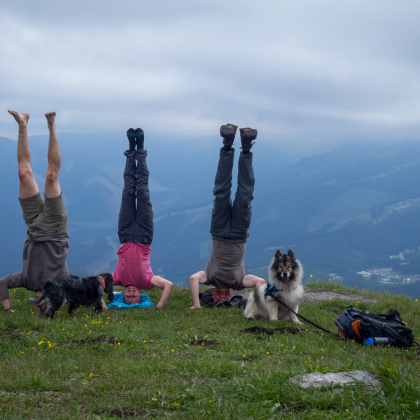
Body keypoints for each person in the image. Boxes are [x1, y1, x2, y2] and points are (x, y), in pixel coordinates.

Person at [189, 124, 265, 309]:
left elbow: (193, 278)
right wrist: (257, 305)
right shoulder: (239, 283)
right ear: (232, 296)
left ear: (212, 294)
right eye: (225, 299)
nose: (222, 296)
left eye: (218, 298)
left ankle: (227, 145)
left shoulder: (209, 279)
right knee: (245, 196)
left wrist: (197, 304)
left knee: (221, 192)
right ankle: (246, 148)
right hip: (239, 235)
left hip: (218, 231)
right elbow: (260, 282)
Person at [1, 111, 69, 313]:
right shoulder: (60, 281)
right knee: (51, 175)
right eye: (43, 304)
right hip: (55, 228)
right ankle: (52, 126)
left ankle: (22, 124)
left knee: (23, 172)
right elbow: (76, 290)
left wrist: (8, 310)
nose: (39, 301)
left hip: (33, 227)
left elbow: (2, 283)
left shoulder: (26, 281)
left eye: (39, 304)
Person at [111, 128, 173, 308]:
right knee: (143, 192)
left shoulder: (118, 279)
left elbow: (97, 283)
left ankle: (131, 150)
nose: (131, 295)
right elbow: (168, 285)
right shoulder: (147, 282)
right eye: (134, 297)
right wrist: (158, 308)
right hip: (145, 235)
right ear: (140, 294)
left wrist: (103, 305)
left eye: (127, 298)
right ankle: (141, 150)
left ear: (122, 295)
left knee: (128, 191)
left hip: (126, 233)